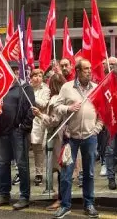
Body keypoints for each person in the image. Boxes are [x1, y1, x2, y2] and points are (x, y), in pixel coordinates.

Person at [53, 59, 103, 219]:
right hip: (70, 137)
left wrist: (97, 129)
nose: (89, 71)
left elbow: (103, 113)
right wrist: (68, 108)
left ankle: (89, 204)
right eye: (86, 69)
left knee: (88, 173)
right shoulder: (67, 87)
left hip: (90, 137)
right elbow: (56, 107)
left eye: (90, 69)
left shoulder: (96, 88)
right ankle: (65, 205)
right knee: (67, 174)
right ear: (78, 71)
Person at [0, 62, 34, 210]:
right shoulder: (0, 88)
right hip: (2, 132)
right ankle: (4, 194)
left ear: (17, 72)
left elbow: (30, 109)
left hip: (18, 131)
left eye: (14, 71)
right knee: (3, 163)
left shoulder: (25, 88)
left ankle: (24, 197)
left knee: (22, 164)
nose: (12, 74)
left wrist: (24, 127)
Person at [32, 73, 67, 210]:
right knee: (63, 169)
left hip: (57, 138)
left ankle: (61, 199)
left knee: (60, 170)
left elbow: (53, 121)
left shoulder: (55, 100)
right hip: (65, 136)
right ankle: (62, 197)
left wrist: (40, 114)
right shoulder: (66, 97)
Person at [29, 69, 49, 187]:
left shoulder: (45, 89)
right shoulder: (26, 87)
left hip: (38, 122)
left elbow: (43, 104)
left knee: (38, 149)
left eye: (40, 76)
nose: (37, 78)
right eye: (35, 75)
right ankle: (22, 173)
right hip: (26, 120)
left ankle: (39, 173)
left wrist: (31, 96)